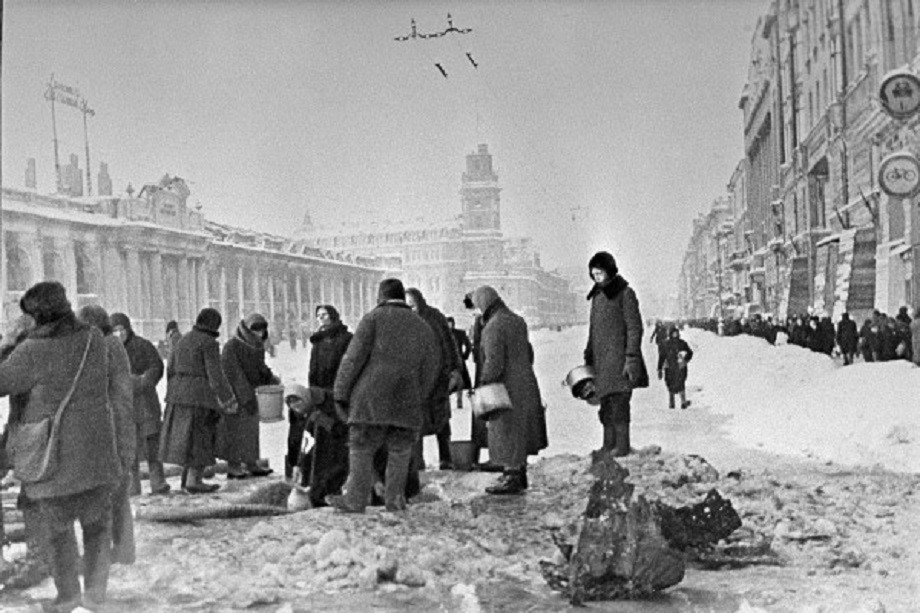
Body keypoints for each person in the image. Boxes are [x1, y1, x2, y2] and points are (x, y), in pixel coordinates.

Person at [0, 282, 123, 611]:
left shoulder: (30, 352)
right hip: (97, 454)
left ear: (37, 316)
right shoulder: (93, 339)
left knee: (59, 532)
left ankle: (68, 597)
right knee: (97, 527)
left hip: (54, 459)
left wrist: (11, 341)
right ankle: (96, 596)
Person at [329, 278, 439, 513]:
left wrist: (340, 393)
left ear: (381, 296)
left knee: (361, 446)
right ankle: (395, 499)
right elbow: (431, 366)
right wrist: (419, 394)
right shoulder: (422, 326)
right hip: (407, 400)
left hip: (370, 399)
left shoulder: (373, 319)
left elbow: (353, 359)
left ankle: (356, 500)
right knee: (399, 450)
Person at [471, 285, 548, 495]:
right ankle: (519, 472)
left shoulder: (493, 326)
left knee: (506, 430)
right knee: (519, 429)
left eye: (477, 306)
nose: (477, 311)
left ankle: (512, 476)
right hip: (525, 381)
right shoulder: (517, 320)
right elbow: (528, 352)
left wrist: (484, 383)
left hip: (506, 386)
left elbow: (494, 362)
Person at [77, 305, 137, 568]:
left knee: (109, 495)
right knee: (117, 494)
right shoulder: (112, 345)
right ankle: (123, 550)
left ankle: (112, 552)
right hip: (118, 428)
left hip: (112, 430)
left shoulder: (106, 348)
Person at [160, 307, 238, 494]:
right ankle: (194, 481)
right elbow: (215, 375)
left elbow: (170, 368)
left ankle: (186, 479)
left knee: (186, 440)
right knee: (199, 439)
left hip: (178, 396)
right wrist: (229, 399)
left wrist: (172, 393)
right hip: (200, 398)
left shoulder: (183, 339)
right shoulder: (209, 343)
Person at [0, 314, 50, 590]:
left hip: (38, 436)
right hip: (40, 434)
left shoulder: (30, 355)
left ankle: (40, 560)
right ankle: (46, 557)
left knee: (34, 499)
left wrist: (6, 346)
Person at [584, 251, 649, 456]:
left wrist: (631, 358)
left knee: (620, 406)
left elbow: (634, 327)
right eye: (593, 274)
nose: (597, 278)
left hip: (620, 362)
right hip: (602, 363)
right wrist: (588, 354)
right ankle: (607, 444)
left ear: (609, 271)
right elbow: (593, 329)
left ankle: (621, 446)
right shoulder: (596, 297)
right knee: (605, 406)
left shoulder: (625, 293)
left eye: (600, 273)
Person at [286, 305, 352, 481]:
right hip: (319, 391)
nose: (321, 318)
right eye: (319, 316)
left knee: (333, 428)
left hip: (336, 391)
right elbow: (313, 368)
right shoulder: (317, 340)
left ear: (333, 316)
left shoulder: (345, 338)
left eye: (325, 315)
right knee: (316, 429)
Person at [109, 312, 170, 496]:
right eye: (115, 330)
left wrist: (144, 381)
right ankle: (132, 487)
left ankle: (158, 483)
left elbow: (157, 366)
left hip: (146, 404)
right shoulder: (109, 351)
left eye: (122, 329)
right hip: (123, 407)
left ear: (128, 329)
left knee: (153, 445)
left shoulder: (143, 345)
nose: (119, 334)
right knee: (129, 449)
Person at [405, 288, 463, 470]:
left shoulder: (434, 317)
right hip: (417, 380)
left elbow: (449, 344)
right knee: (417, 422)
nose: (410, 309)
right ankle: (417, 462)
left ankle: (446, 459)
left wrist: (454, 369)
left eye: (412, 305)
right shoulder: (406, 321)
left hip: (438, 378)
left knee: (441, 421)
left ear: (420, 302)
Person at [218, 313, 279, 479]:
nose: (260, 333)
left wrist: (270, 378)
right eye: (255, 329)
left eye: (262, 329)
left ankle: (251, 462)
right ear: (246, 329)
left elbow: (259, 368)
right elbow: (233, 374)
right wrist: (245, 397)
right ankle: (234, 466)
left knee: (250, 432)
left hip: (251, 394)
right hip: (235, 397)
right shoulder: (232, 346)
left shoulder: (257, 346)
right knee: (234, 433)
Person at [285, 383, 349, 507]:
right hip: (314, 450)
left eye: (298, 403)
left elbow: (344, 430)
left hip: (334, 449)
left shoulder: (329, 404)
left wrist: (325, 422)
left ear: (305, 399)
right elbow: (295, 437)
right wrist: (295, 464)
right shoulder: (296, 412)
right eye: (291, 405)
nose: (295, 407)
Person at [657, 327, 694, 409]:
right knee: (670, 384)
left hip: (680, 367)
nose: (675, 335)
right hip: (669, 367)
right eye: (673, 333)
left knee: (681, 383)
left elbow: (690, 352)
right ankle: (671, 402)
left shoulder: (682, 343)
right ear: (670, 334)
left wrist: (685, 360)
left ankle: (683, 402)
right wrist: (659, 369)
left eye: (676, 333)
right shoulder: (666, 344)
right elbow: (662, 357)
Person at [446, 316, 472, 410]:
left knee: (459, 381)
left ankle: (459, 400)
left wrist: (465, 356)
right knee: (455, 381)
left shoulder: (459, 333)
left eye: (450, 323)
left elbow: (468, 346)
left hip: (457, 362)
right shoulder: (445, 334)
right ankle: (454, 401)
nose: (449, 325)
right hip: (450, 362)